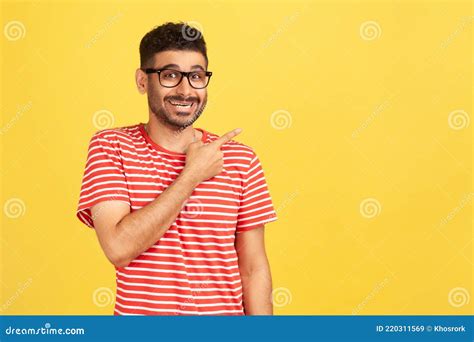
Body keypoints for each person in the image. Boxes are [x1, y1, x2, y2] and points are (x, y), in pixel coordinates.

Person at [76, 22, 277, 315]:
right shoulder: (111, 147)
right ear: (142, 81)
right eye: (170, 75)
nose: (186, 90)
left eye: (196, 76)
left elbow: (253, 269)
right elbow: (118, 248)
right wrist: (192, 175)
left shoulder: (239, 159)